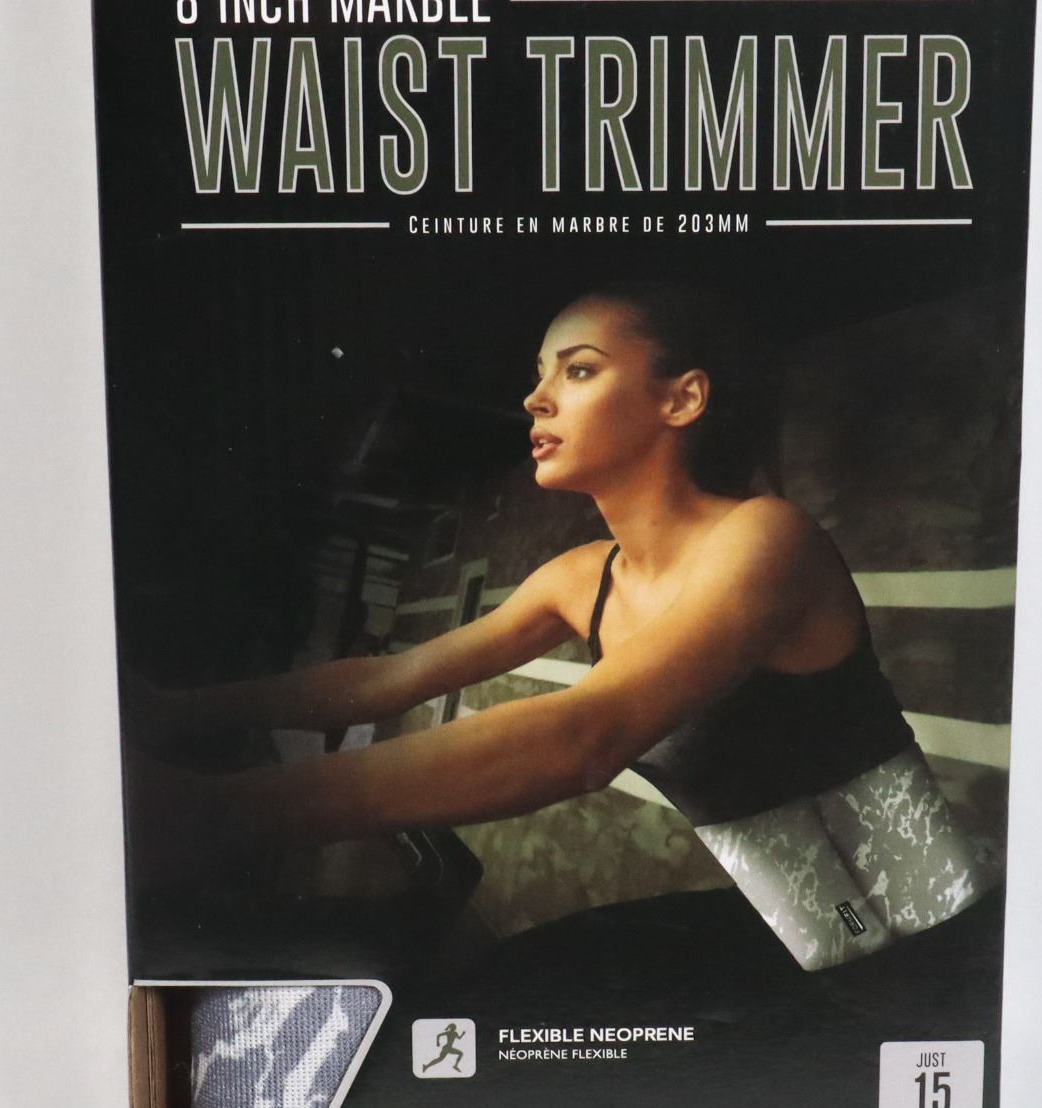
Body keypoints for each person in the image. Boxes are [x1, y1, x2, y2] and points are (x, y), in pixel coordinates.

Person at [142, 283, 997, 972]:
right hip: (816, 941)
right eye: (539, 373)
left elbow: (585, 736)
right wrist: (175, 710)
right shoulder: (578, 578)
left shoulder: (766, 538)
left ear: (682, 399)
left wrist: (211, 814)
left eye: (578, 370)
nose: (534, 397)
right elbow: (386, 679)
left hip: (941, 930)